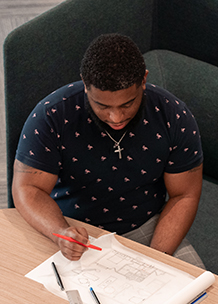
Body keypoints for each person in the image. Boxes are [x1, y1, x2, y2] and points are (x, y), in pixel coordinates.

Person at [12, 33, 204, 268]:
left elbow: (184, 195)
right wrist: (60, 232)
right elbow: (28, 188)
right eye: (102, 105)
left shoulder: (173, 116)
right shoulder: (51, 116)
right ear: (85, 83)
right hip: (69, 226)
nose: (116, 118)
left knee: (198, 299)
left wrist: (156, 260)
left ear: (144, 80)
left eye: (127, 104)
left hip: (147, 226)